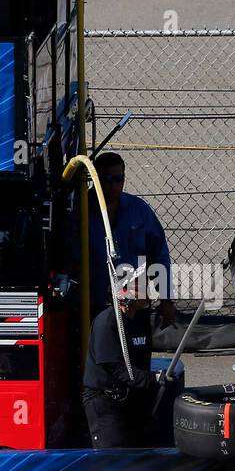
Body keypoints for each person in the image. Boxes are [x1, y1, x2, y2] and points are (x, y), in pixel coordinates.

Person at [85, 151, 177, 334]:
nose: (113, 185)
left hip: (133, 305)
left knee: (135, 357)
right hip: (91, 305)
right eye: (106, 179)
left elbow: (159, 255)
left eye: (118, 179)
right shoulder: (80, 210)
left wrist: (166, 299)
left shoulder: (139, 210)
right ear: (95, 180)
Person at [81, 290, 165, 448]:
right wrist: (152, 379)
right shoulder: (107, 323)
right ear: (123, 292)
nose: (147, 290)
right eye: (138, 286)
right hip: (106, 400)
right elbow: (116, 368)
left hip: (132, 396)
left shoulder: (140, 318)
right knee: (115, 459)